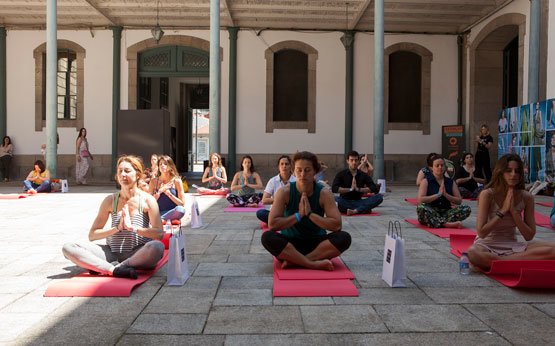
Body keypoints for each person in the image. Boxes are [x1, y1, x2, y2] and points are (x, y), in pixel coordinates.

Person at [62, 155, 165, 279]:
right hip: (111, 253)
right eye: (120, 171)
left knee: (157, 247)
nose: (123, 175)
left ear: (137, 175)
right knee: (68, 248)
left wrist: (133, 228)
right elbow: (92, 235)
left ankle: (118, 266)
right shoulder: (110, 200)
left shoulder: (147, 200)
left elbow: (159, 233)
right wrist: (117, 228)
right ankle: (114, 270)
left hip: (138, 253)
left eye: (127, 171)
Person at [261, 151, 351, 270]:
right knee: (267, 237)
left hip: (317, 243)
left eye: (307, 170)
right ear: (293, 171)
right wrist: (298, 215)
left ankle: (296, 261)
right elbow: (272, 224)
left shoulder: (324, 193)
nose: (303, 174)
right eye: (299, 170)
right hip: (290, 244)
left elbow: (337, 225)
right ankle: (312, 263)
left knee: (344, 238)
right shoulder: (284, 192)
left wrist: (310, 215)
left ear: (315, 171)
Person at [468, 153, 555, 271]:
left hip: (513, 246)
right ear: (500, 172)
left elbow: (529, 236)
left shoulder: (527, 197)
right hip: (487, 245)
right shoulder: (487, 194)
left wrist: (514, 212)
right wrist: (503, 210)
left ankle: (500, 262)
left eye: (517, 171)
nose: (513, 175)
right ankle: (512, 261)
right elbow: (482, 232)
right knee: (473, 253)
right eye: (509, 171)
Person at [416, 154, 471, 228]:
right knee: (421, 207)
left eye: (442, 165)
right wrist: (438, 195)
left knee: (466, 208)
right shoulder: (426, 181)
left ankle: (437, 222)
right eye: (437, 165)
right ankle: (445, 224)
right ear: (431, 168)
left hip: (446, 212)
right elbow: (420, 200)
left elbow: (459, 201)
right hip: (431, 211)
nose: (440, 167)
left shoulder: (450, 182)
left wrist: (446, 195)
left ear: (445, 167)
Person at [331, 150, 383, 215]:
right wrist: (350, 189)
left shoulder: (363, 175)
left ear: (359, 161)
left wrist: (358, 189)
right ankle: (362, 209)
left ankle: (355, 211)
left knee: (379, 197)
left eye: (356, 160)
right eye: (351, 160)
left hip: (359, 201)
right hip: (344, 201)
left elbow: (373, 188)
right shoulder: (341, 174)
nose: (354, 162)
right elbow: (334, 188)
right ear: (347, 161)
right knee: (332, 198)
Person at [256, 155, 296, 225]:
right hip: (275, 213)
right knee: (260, 213)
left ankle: (281, 222)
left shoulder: (296, 181)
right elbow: (264, 200)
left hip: (290, 212)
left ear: (290, 166)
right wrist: (281, 201)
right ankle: (284, 222)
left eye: (286, 164)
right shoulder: (273, 181)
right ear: (279, 167)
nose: (284, 166)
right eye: (282, 164)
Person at [149, 155, 186, 221]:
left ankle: (161, 220)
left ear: (170, 166)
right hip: (158, 212)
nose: (162, 165)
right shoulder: (153, 181)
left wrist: (169, 194)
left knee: (181, 210)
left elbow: (181, 204)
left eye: (165, 164)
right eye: (160, 164)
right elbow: (149, 203)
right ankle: (162, 220)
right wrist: (160, 191)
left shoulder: (176, 181)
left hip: (172, 212)